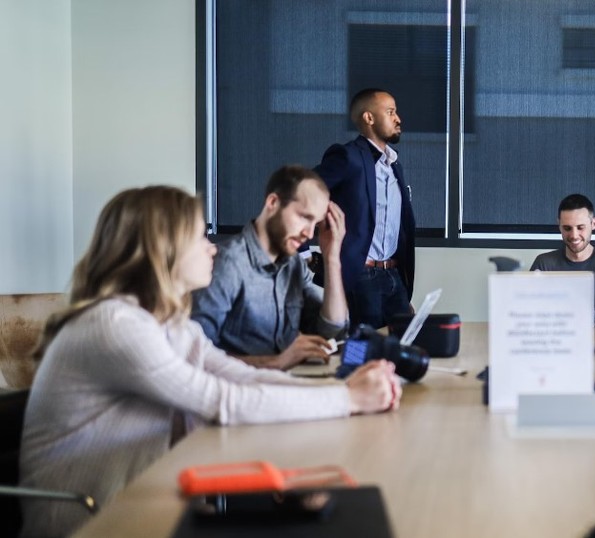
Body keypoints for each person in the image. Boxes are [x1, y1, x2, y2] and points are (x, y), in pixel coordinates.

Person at [18, 186, 401, 537]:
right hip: (91, 523)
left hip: (141, 504)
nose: (212, 248)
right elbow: (223, 401)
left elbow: (239, 377)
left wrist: (343, 393)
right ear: (162, 247)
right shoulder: (115, 325)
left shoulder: (165, 324)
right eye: (200, 237)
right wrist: (348, 400)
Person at [192, 165, 347, 370]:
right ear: (273, 202)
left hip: (281, 385)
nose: (309, 234)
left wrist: (332, 257)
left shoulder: (293, 265)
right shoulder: (228, 264)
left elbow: (332, 330)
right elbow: (195, 356)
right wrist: (275, 363)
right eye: (304, 217)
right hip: (238, 392)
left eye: (316, 224)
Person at [315, 88, 415, 329]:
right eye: (390, 112)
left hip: (393, 274)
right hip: (361, 275)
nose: (398, 119)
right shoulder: (347, 157)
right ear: (369, 118)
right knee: (363, 350)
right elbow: (304, 192)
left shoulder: (393, 165)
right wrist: (308, 250)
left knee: (403, 345)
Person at [530, 194, 595, 323]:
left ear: (593, 224)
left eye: (580, 227)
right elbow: (528, 309)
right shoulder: (543, 263)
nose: (574, 235)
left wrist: (577, 317)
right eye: (567, 228)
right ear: (559, 226)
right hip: (557, 338)